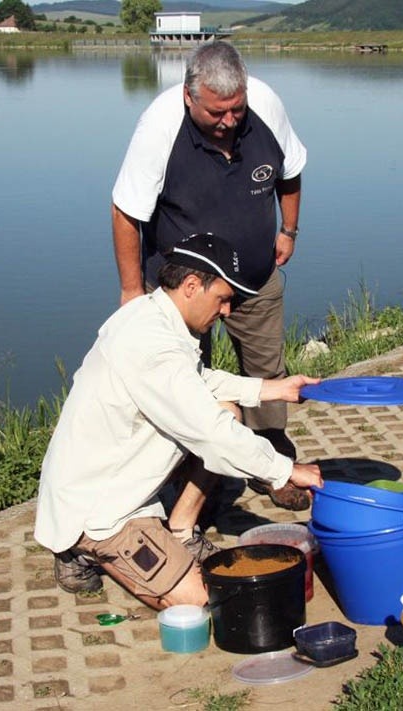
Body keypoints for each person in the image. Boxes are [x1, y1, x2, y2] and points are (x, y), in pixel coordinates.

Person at [35, 234, 323, 606]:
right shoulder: (153, 347)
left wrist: (274, 388)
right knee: (202, 602)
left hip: (119, 481)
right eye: (222, 298)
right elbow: (211, 434)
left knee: (227, 408)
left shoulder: (153, 316)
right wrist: (285, 471)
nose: (227, 312)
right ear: (191, 286)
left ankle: (181, 529)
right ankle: (80, 548)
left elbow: (198, 382)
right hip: (101, 509)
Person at [110, 41, 309, 511]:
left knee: (265, 370)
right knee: (181, 383)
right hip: (186, 290)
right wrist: (132, 290)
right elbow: (126, 210)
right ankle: (183, 478)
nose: (229, 121)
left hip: (255, 276)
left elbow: (292, 170)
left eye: (236, 110)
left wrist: (289, 230)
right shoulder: (159, 126)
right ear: (188, 97)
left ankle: (271, 463)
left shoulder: (264, 104)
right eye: (217, 112)